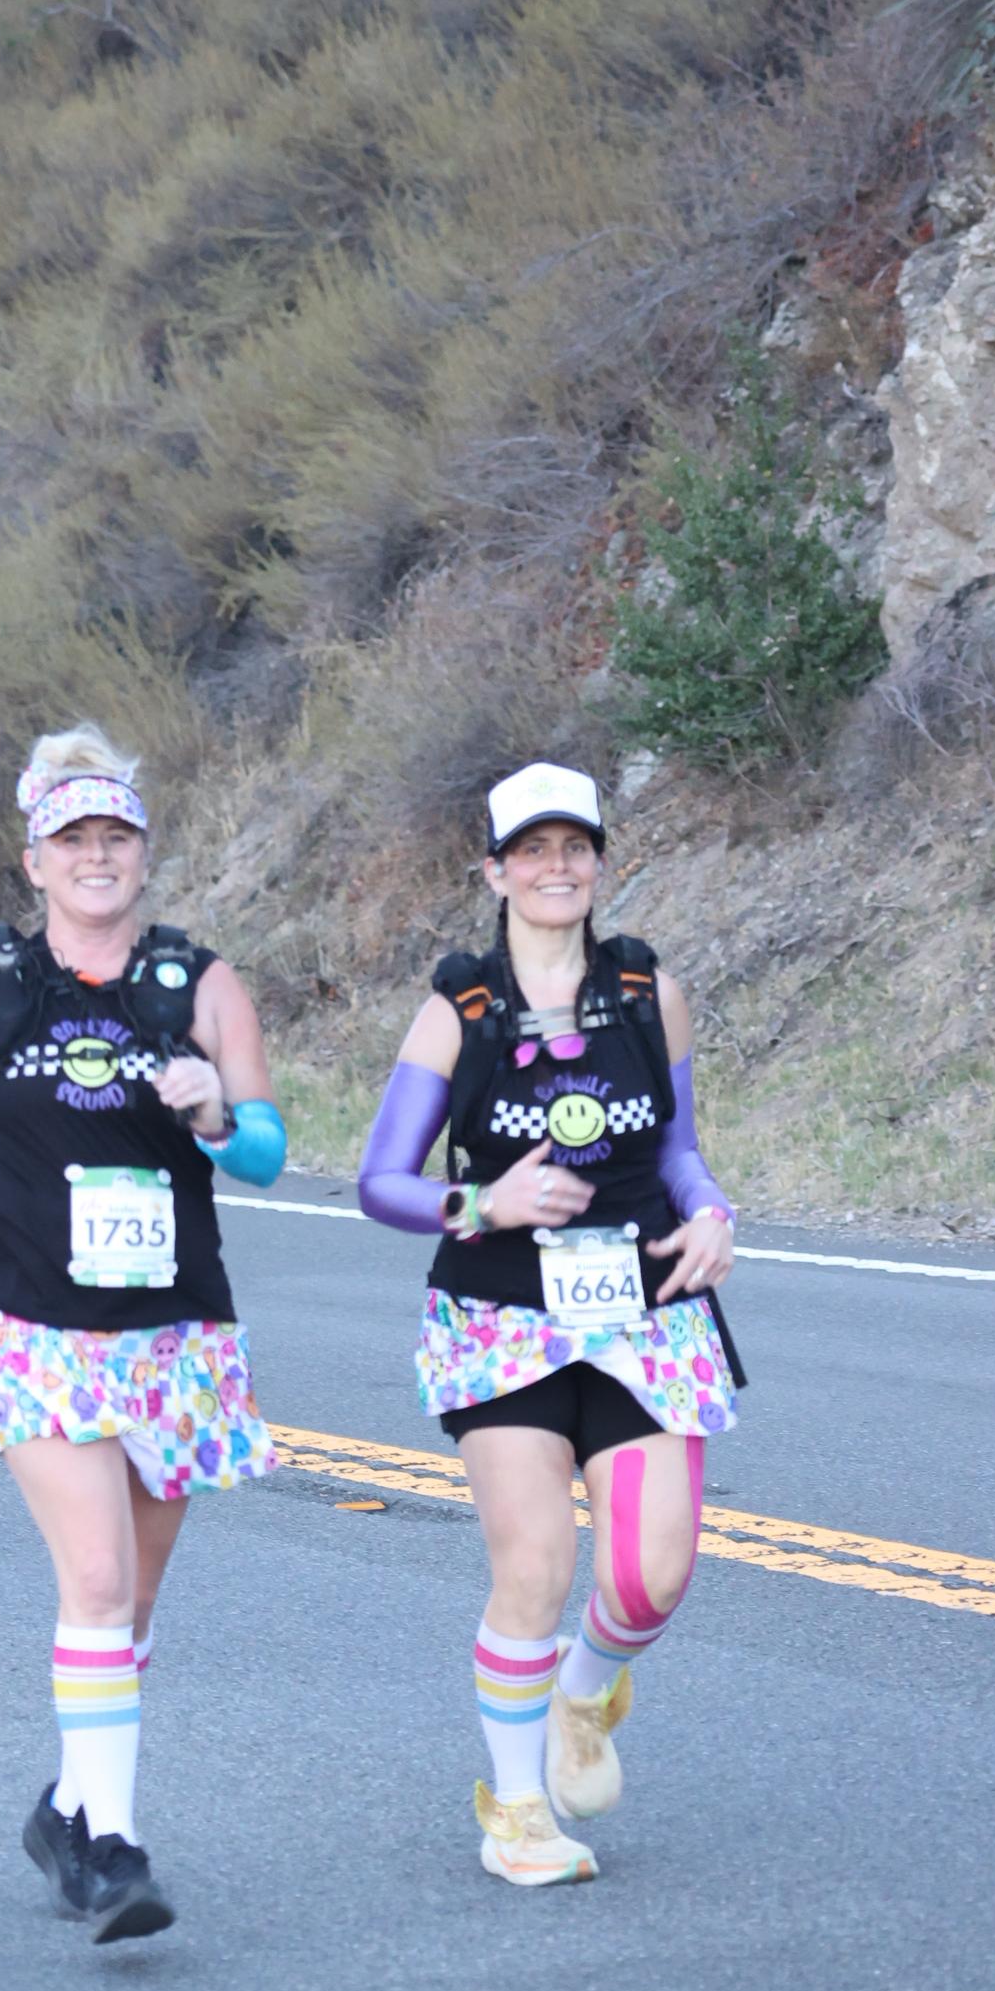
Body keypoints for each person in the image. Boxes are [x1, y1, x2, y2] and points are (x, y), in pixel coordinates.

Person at [0, 724, 286, 1942]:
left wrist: (217, 1114)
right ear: (35, 861)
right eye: (73, 841)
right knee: (97, 1580)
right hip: (27, 1319)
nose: (96, 857)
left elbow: (267, 1153)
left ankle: (66, 1810)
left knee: (130, 1606)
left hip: (172, 1331)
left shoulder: (201, 985)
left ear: (143, 855)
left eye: (116, 838)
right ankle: (111, 1849)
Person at [357, 761, 744, 1887]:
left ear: (600, 864)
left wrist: (710, 1211)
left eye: (576, 847)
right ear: (496, 871)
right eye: (533, 850)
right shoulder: (461, 1011)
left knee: (652, 1577)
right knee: (536, 1562)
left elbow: (676, 1150)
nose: (556, 868)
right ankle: (518, 1810)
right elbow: (383, 1180)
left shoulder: (649, 993)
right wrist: (485, 1202)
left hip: (644, 1308)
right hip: (501, 1316)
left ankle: (584, 1692)